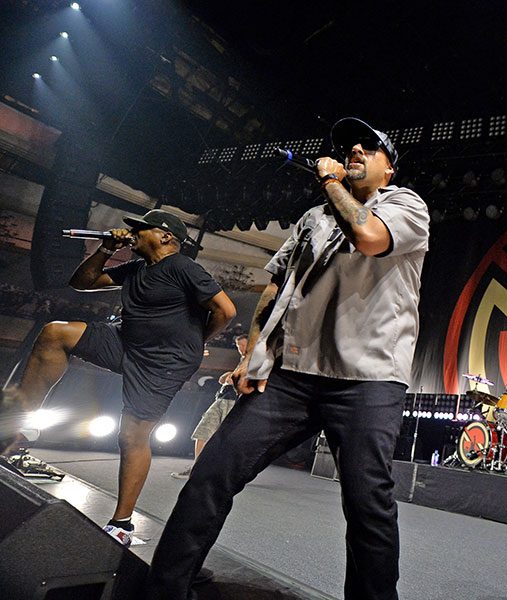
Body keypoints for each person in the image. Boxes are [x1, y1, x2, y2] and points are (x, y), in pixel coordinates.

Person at [146, 117, 429, 600]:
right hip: (291, 378)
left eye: (368, 146)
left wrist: (332, 180)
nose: (354, 149)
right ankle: (165, 587)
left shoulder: (405, 205)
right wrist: (254, 355)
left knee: (368, 507)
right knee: (211, 474)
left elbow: (369, 237)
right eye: (347, 146)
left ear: (389, 169)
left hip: (369, 381)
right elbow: (278, 288)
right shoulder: (313, 218)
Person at [0, 209, 236, 546]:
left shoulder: (183, 267)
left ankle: (122, 522)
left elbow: (226, 310)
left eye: (143, 229)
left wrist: (195, 341)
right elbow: (81, 283)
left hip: (161, 362)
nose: (135, 233)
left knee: (131, 437)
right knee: (56, 334)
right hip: (124, 341)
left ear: (166, 237)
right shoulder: (138, 268)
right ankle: (14, 426)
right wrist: (106, 249)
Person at [170, 334, 249, 479]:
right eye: (239, 347)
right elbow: (224, 379)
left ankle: (228, 473)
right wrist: (228, 375)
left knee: (227, 438)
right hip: (222, 399)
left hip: (235, 403)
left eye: (244, 345)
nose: (241, 349)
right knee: (203, 431)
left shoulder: (255, 362)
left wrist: (236, 379)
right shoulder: (242, 361)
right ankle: (196, 468)